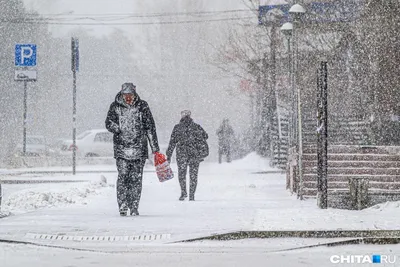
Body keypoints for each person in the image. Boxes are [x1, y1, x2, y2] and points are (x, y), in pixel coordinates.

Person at [105, 82, 160, 216]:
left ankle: (134, 205)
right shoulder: (115, 107)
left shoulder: (142, 106)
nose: (128, 97)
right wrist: (116, 128)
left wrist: (155, 148)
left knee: (136, 179)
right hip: (121, 149)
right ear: (122, 94)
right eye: (126, 95)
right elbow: (108, 122)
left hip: (139, 149)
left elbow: (150, 127)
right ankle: (123, 204)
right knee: (123, 177)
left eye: (130, 94)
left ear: (134, 94)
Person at [166, 110, 208, 201]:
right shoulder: (196, 127)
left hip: (181, 154)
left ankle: (183, 192)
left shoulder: (177, 127)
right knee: (193, 175)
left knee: (182, 174)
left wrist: (168, 155)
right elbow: (206, 136)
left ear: (181, 117)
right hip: (194, 154)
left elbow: (172, 142)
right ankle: (192, 195)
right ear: (190, 116)